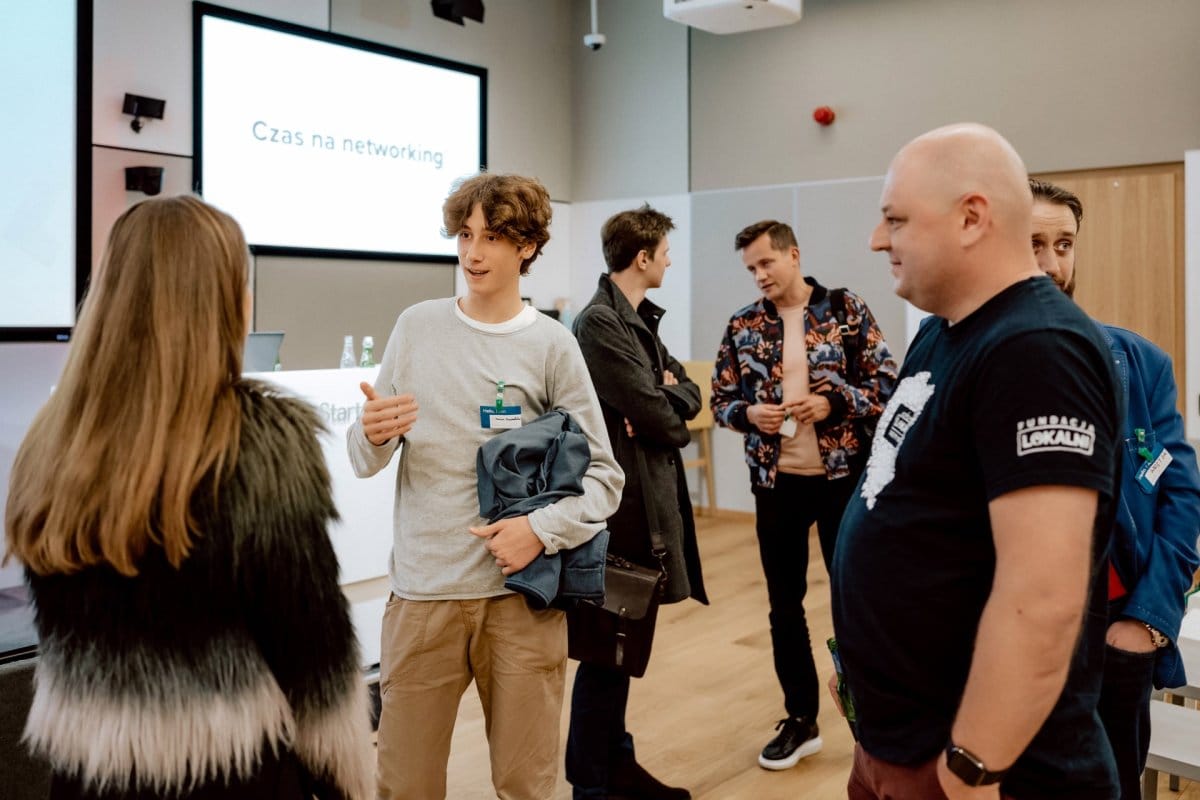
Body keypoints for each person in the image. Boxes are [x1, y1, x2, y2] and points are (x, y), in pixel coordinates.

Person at [4, 196, 373, 799]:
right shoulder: (258, 443)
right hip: (232, 776)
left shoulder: (53, 439)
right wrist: (345, 785)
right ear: (223, 299)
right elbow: (316, 662)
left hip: (89, 774)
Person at [831, 123, 1122, 800]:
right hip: (899, 738)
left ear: (970, 218)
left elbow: (1041, 599)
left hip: (982, 765)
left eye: (895, 220)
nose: (879, 240)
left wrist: (972, 765)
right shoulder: (946, 331)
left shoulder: (1036, 349)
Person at [347, 173, 624, 800]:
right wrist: (374, 433)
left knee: (525, 786)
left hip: (519, 603)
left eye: (493, 237)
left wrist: (539, 530)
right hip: (423, 599)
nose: (472, 253)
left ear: (526, 246)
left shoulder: (553, 345)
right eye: (465, 234)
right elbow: (364, 460)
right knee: (404, 788)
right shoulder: (416, 327)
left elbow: (605, 476)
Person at [1030, 177, 1200, 799]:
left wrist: (1146, 624)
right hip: (1006, 631)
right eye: (1032, 244)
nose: (1050, 264)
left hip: (1113, 632)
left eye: (1064, 244)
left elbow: (1181, 498)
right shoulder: (960, 357)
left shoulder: (1139, 363)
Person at [711, 219, 897, 770]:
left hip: (844, 482)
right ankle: (802, 719)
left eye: (766, 263)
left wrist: (834, 405)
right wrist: (748, 414)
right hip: (776, 486)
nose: (759, 276)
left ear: (793, 255)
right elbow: (721, 399)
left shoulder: (845, 310)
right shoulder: (743, 325)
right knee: (784, 605)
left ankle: (874, 715)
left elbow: (887, 384)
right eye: (750, 269)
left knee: (854, 599)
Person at [568, 205, 709, 800]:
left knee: (623, 649)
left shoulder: (637, 320)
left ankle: (615, 766)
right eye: (665, 251)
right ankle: (592, 784)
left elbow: (688, 397)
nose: (671, 260)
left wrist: (666, 402)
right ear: (642, 257)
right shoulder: (600, 323)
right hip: (618, 513)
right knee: (607, 652)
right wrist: (663, 406)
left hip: (641, 504)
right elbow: (659, 415)